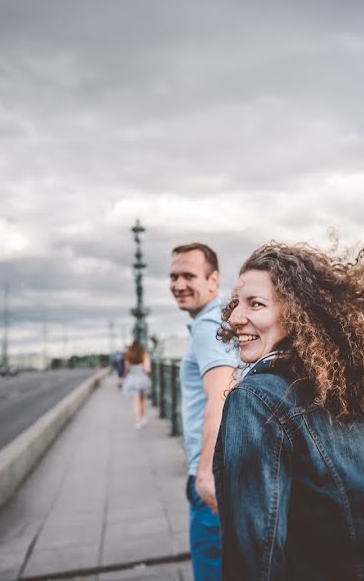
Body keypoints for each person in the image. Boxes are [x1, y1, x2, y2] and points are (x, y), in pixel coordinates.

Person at [214, 235, 364, 581]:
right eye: (237, 303)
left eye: (255, 304)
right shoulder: (343, 387)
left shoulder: (254, 398)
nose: (235, 317)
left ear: (296, 315)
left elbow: (257, 552)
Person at [169, 242, 238, 581]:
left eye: (188, 276)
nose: (178, 284)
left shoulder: (208, 325)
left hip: (212, 477)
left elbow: (221, 394)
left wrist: (205, 473)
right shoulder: (217, 320)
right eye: (173, 276)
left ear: (213, 280)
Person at [121, 342, 151, 428]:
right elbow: (147, 369)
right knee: (142, 400)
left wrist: (124, 379)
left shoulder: (128, 356)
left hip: (132, 379)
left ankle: (137, 422)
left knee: (135, 402)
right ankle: (143, 417)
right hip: (142, 379)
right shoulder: (144, 355)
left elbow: (126, 370)